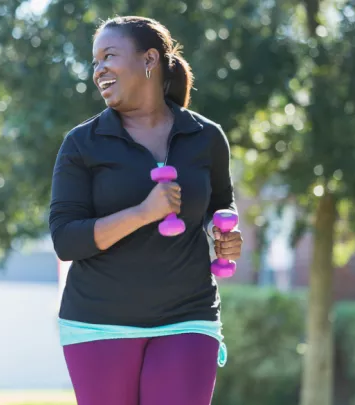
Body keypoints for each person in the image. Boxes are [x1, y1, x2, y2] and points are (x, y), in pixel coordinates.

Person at [49, 16, 243, 405]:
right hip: (99, 322)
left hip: (188, 314)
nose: (98, 69)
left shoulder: (205, 136)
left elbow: (220, 202)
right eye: (95, 61)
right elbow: (66, 239)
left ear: (149, 59)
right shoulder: (82, 144)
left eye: (109, 56)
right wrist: (143, 212)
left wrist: (224, 233)